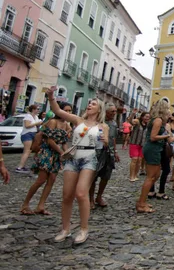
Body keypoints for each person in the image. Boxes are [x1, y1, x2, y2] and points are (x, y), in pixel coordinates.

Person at [45, 86, 108, 244]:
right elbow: (58, 112)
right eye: (89, 103)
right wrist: (51, 97)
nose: (90, 105)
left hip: (89, 158)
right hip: (73, 157)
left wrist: (104, 140)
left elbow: (105, 143)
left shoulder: (103, 126)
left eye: (93, 104)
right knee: (67, 195)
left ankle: (83, 229)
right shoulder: (78, 120)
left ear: (99, 109)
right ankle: (65, 229)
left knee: (81, 193)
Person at [20, 102, 71, 215]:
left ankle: (40, 206)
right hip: (47, 153)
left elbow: (64, 142)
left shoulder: (66, 125)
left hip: (57, 155)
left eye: (69, 111)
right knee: (41, 180)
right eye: (66, 110)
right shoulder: (53, 122)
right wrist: (61, 152)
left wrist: (67, 152)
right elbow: (50, 140)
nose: (68, 113)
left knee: (51, 180)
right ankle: (25, 204)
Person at [137, 100, 174, 213]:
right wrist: (167, 135)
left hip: (156, 149)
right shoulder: (157, 120)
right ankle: (141, 203)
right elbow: (153, 137)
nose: (169, 111)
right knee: (150, 177)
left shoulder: (158, 120)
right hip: (152, 149)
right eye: (167, 109)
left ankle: (142, 201)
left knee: (156, 175)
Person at [89, 103, 118, 209]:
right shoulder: (98, 123)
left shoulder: (114, 124)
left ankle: (99, 196)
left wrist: (115, 152)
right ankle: (90, 198)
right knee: (93, 176)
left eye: (115, 111)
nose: (114, 113)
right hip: (97, 151)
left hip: (108, 152)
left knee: (106, 176)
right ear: (106, 112)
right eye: (112, 111)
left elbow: (113, 138)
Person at [15, 105, 43, 173]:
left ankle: (22, 166)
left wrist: (39, 124)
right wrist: (37, 123)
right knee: (27, 151)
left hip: (33, 134)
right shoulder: (28, 116)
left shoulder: (36, 117)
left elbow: (36, 125)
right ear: (33, 109)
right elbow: (27, 125)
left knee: (30, 151)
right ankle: (19, 167)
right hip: (27, 134)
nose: (38, 110)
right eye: (37, 109)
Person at [128, 113, 149, 182]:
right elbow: (130, 121)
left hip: (142, 145)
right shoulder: (137, 122)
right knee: (134, 159)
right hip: (134, 143)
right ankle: (131, 176)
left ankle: (135, 175)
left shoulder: (148, 125)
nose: (147, 118)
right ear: (142, 117)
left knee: (139, 160)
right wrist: (132, 114)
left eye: (148, 117)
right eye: (146, 116)